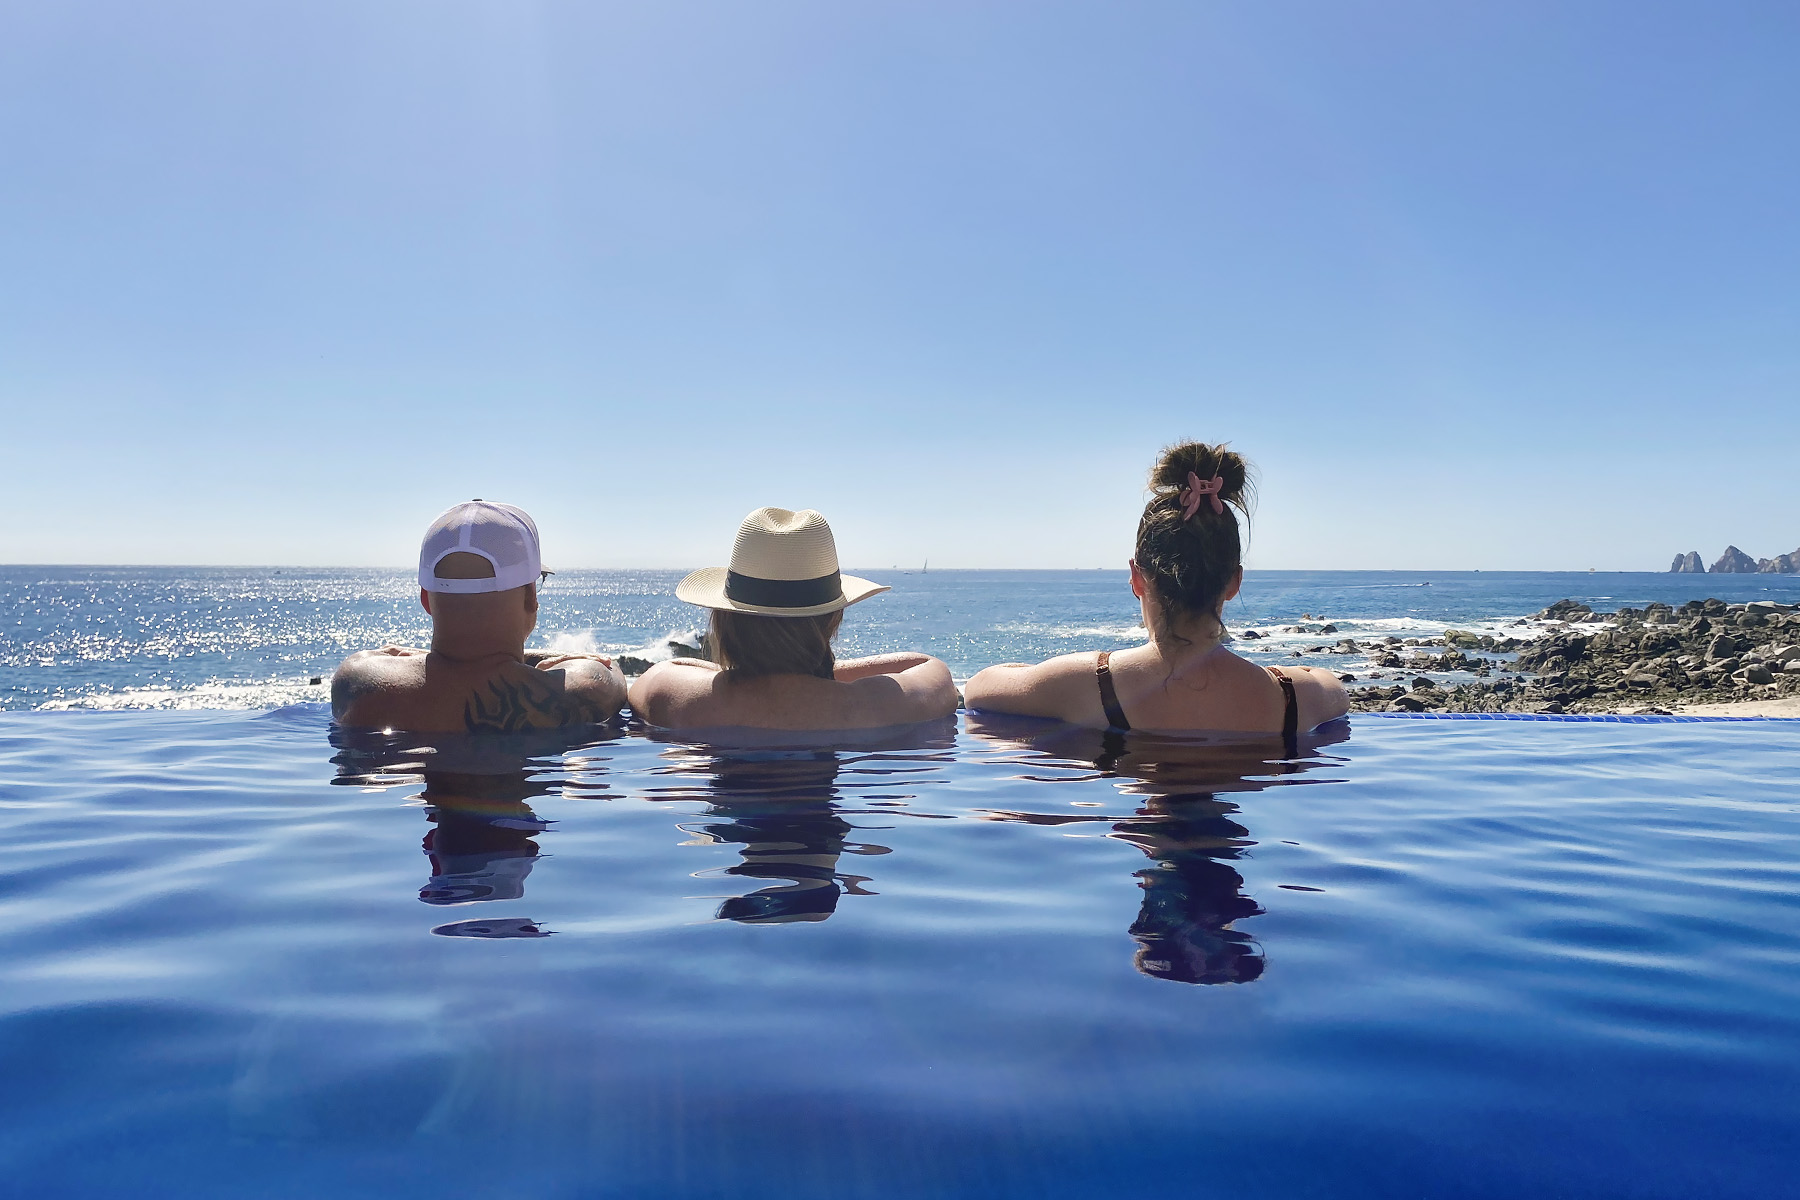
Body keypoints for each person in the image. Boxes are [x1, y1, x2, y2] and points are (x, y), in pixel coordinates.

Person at [964, 442, 1348, 738]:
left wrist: (1042, 674)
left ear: (1137, 578)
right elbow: (1335, 688)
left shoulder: (1082, 684)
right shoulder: (1297, 695)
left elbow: (979, 688)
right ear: (1234, 583)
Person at [627, 507, 957, 730]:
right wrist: (815, 675)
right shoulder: (871, 706)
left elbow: (665, 670)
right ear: (832, 618)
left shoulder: (678, 699)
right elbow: (934, 672)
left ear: (725, 617)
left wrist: (762, 671)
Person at [331, 500, 626, 732]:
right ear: (530, 595)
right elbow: (609, 672)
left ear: (425, 599)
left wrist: (424, 657)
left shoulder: (358, 680)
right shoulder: (586, 687)